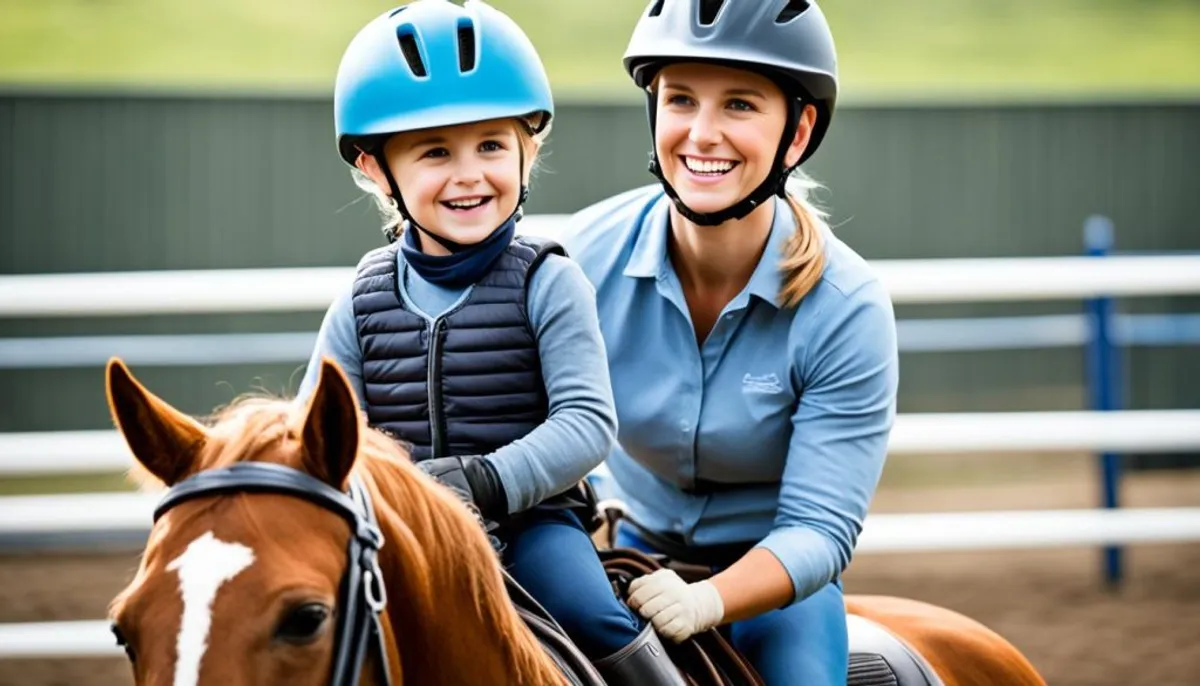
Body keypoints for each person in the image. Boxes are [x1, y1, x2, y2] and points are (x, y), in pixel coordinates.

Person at [297, 2, 684, 682]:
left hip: (533, 524)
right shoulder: (359, 300)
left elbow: (587, 424)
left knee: (592, 614)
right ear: (374, 168)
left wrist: (482, 481)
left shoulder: (549, 280)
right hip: (396, 531)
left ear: (527, 151)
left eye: (491, 146)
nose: (469, 173)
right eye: (436, 151)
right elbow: (317, 431)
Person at [563, 1, 899, 684]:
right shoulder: (575, 261)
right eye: (680, 99)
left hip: (776, 587)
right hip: (624, 554)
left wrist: (707, 599)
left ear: (798, 131)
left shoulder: (847, 308)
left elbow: (821, 529)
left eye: (740, 105)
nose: (702, 134)